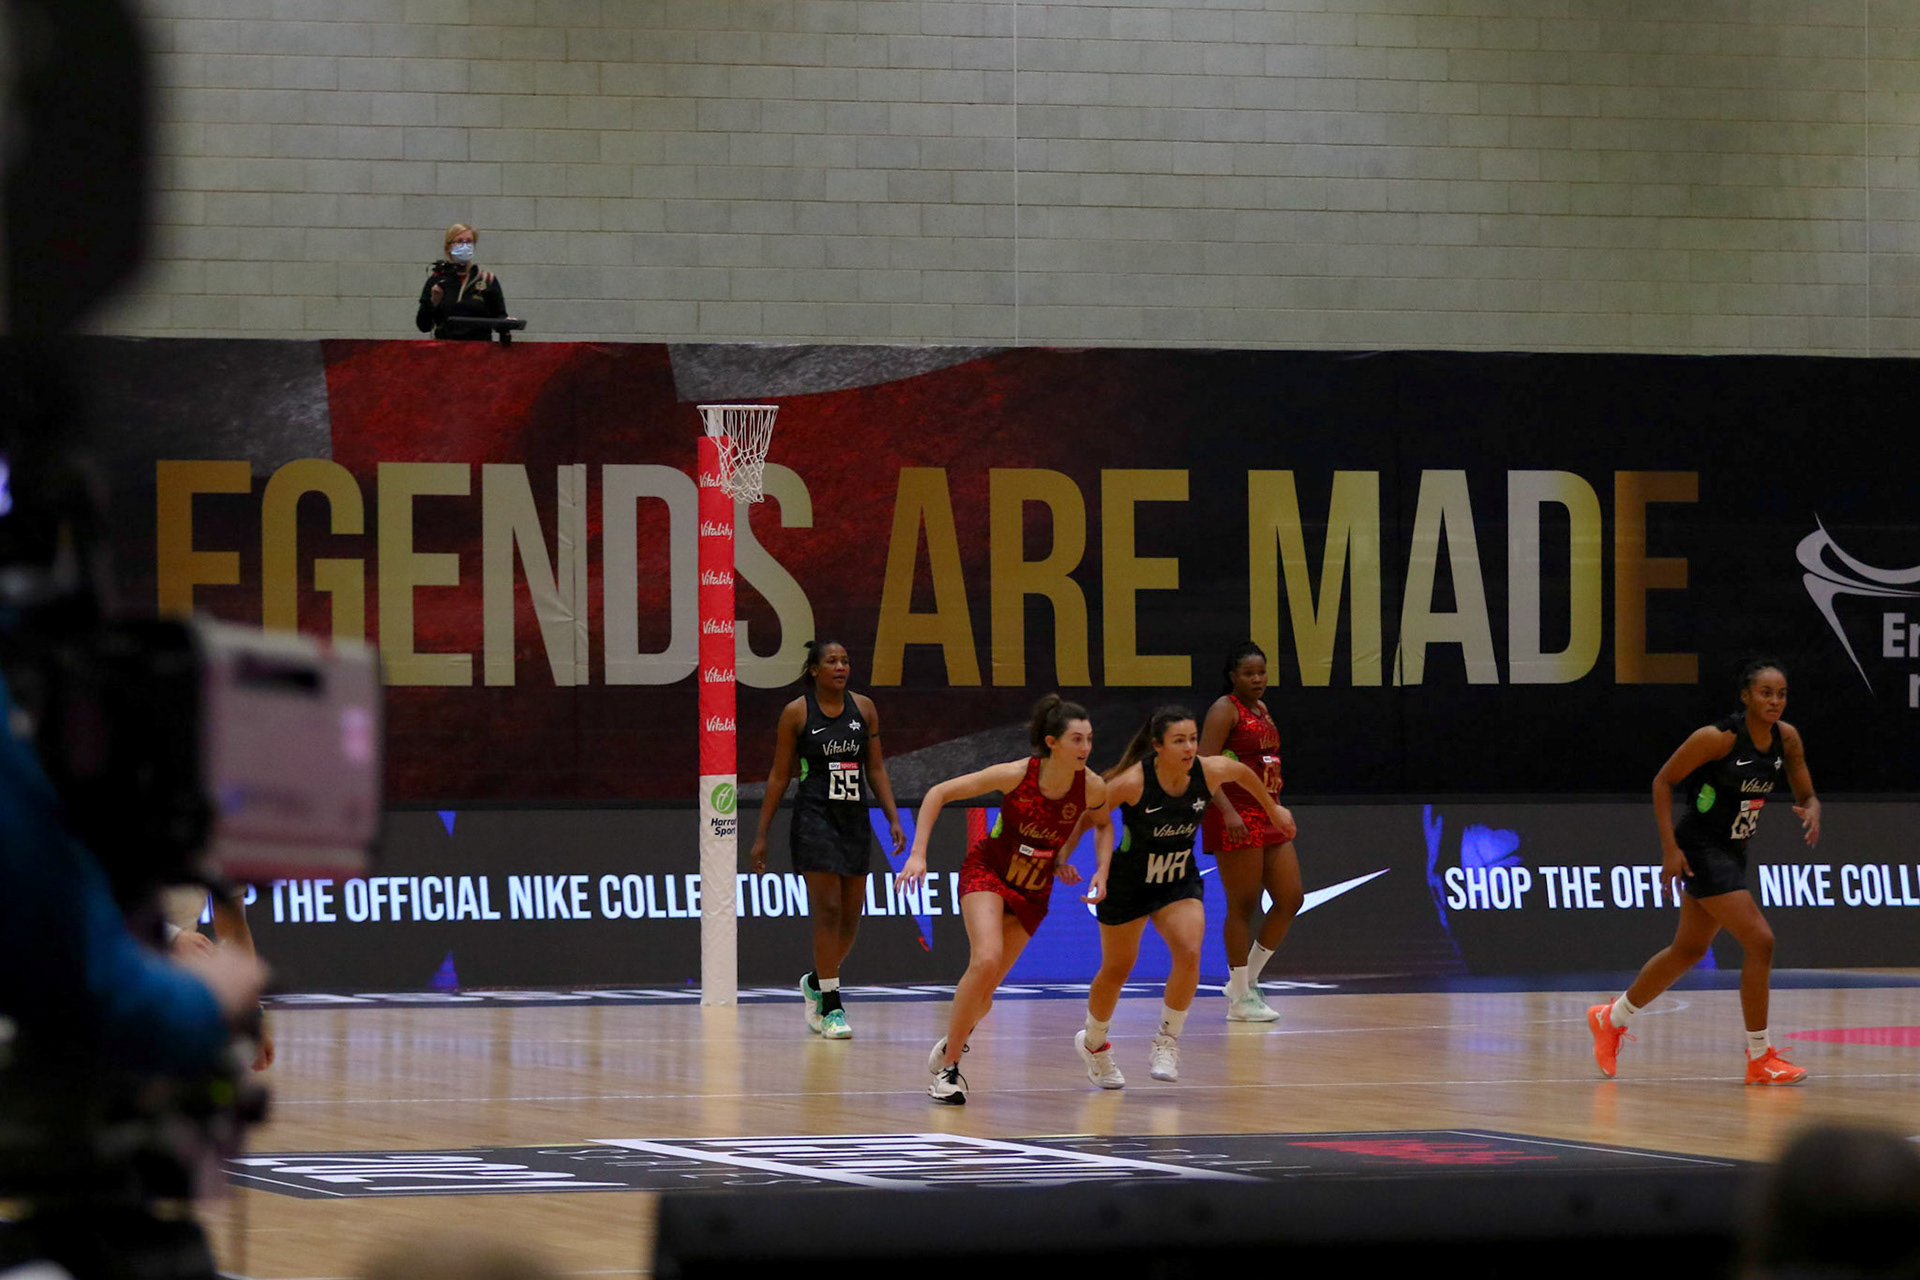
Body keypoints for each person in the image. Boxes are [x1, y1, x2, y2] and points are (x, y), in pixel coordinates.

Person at [1588, 659, 1821, 1085]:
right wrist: (1670, 850)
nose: (1775, 701)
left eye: (1782, 694)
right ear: (1746, 696)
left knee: (1689, 950)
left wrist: (1812, 807)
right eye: (1766, 693)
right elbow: (1662, 782)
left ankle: (1611, 1017)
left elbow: (1804, 789)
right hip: (1699, 848)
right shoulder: (1717, 738)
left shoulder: (1786, 739)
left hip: (1733, 851)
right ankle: (1760, 1056)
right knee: (1761, 941)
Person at [895, 694, 1111, 1106]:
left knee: (985, 996)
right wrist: (918, 854)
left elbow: (1102, 825)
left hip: (1034, 889)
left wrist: (1099, 868)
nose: (1085, 747)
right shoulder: (1016, 774)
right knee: (986, 959)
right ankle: (949, 1070)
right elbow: (938, 792)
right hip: (989, 871)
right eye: (1077, 739)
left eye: (1089, 739)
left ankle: (954, 1038)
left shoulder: (1092, 786)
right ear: (1052, 742)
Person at [1074, 706, 1295, 1088]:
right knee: (1117, 969)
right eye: (1179, 740)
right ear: (1158, 746)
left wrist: (1272, 808)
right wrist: (1080, 862)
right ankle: (1094, 1043)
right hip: (1129, 883)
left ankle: (1167, 1041)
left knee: (1190, 951)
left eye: (1193, 738)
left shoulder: (1207, 771)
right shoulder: (1132, 781)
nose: (1190, 747)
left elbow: (1244, 774)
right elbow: (1091, 817)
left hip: (1177, 880)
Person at [747, 639, 903, 1040]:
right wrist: (761, 835)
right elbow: (779, 775)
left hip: (854, 820)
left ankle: (817, 982)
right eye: (832, 661)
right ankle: (832, 1006)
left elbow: (876, 769)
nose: (841, 667)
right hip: (814, 819)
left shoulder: (864, 709)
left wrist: (892, 817)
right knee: (829, 910)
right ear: (814, 670)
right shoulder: (797, 713)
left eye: (845, 660)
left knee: (851, 918)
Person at [1199, 641, 1305, 1022]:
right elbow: (1203, 767)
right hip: (1235, 814)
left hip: (1267, 812)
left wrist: (1276, 808)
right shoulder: (1224, 709)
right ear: (1233, 676)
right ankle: (1241, 997)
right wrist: (1227, 812)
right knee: (1243, 904)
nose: (1257, 679)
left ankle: (1246, 983)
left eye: (1261, 672)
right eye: (1248, 673)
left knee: (1291, 898)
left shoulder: (1263, 710)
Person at [415, 223, 507, 341]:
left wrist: (506, 323)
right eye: (459, 241)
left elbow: (500, 316)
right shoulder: (437, 280)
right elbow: (423, 326)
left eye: (469, 242)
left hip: (479, 347)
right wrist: (433, 302)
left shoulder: (486, 279)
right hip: (446, 346)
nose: (465, 246)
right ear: (449, 247)